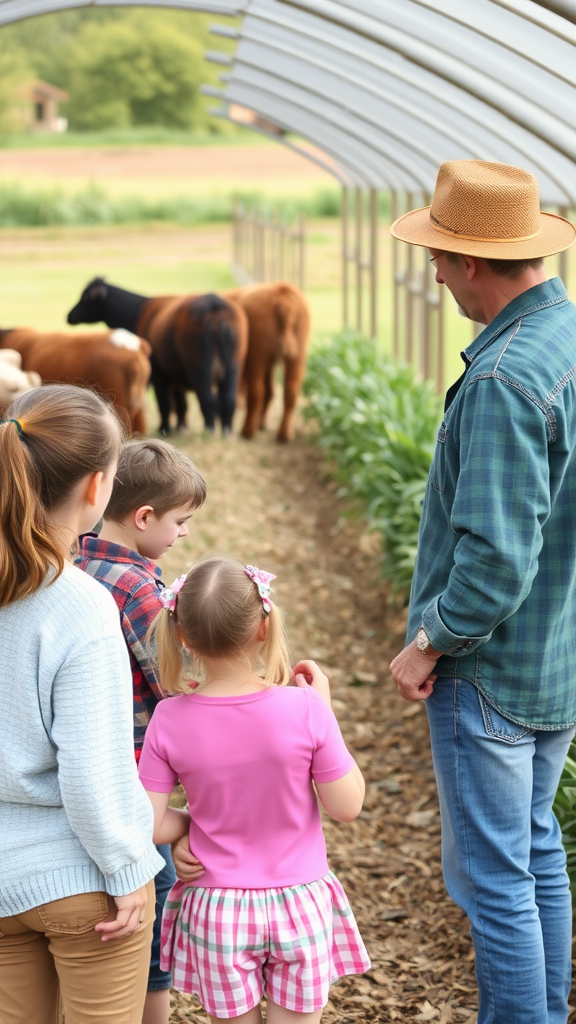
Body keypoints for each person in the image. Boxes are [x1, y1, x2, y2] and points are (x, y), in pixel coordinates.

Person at [389, 161, 576, 1024]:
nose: (431, 272)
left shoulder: (503, 378)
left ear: (473, 262)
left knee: (494, 883)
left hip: (491, 670)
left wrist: (428, 641)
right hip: (554, 656)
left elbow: (495, 562)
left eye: (438, 256)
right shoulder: (566, 337)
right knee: (536, 853)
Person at [138, 557, 370, 1024]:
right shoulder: (305, 708)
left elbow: (146, 822)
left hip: (216, 909)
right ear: (264, 628)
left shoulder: (169, 718)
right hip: (299, 903)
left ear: (180, 635)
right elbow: (347, 806)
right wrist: (324, 713)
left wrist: (188, 827)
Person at [0, 384, 165, 1024]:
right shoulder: (81, 604)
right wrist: (130, 871)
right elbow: (92, 773)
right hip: (85, 883)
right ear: (98, 488)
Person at [76, 437, 207, 1024]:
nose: (183, 535)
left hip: (80, 768)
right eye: (180, 522)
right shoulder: (136, 587)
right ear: (144, 517)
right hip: (133, 776)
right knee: (150, 904)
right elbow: (176, 680)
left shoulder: (74, 561)